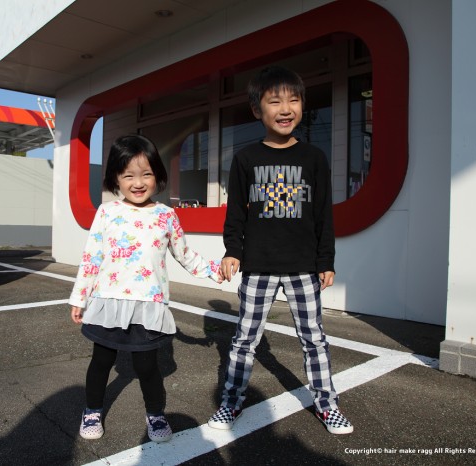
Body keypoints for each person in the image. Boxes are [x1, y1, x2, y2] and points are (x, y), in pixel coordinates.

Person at [207, 66, 353, 435]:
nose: (286, 108)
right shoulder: (246, 159)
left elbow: (324, 215)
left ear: (302, 105)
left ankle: (326, 404)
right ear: (257, 110)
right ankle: (231, 402)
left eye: (294, 100)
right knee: (244, 340)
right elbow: (235, 212)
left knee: (314, 339)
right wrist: (232, 251)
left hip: (304, 267)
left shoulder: (314, 158)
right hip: (258, 266)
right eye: (275, 101)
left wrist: (326, 260)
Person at [70, 134, 223, 442]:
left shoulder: (166, 215)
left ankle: (155, 414)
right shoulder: (107, 212)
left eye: (146, 174)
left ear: (158, 176)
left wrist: (213, 270)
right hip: (108, 301)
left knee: (147, 366)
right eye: (128, 175)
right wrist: (80, 297)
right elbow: (92, 257)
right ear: (116, 177)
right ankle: (92, 410)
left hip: (148, 305)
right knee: (101, 361)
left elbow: (184, 254)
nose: (138, 183)